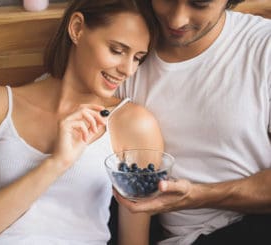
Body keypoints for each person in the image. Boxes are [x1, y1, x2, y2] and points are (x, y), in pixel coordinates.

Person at [0, 0, 163, 244]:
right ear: (77, 28)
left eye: (138, 58)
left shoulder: (135, 125)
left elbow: (134, 241)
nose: (128, 69)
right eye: (117, 50)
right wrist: (56, 163)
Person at [116, 0, 271, 244]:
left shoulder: (264, 46)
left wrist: (199, 196)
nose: (177, 20)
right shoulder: (124, 51)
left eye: (199, 4)